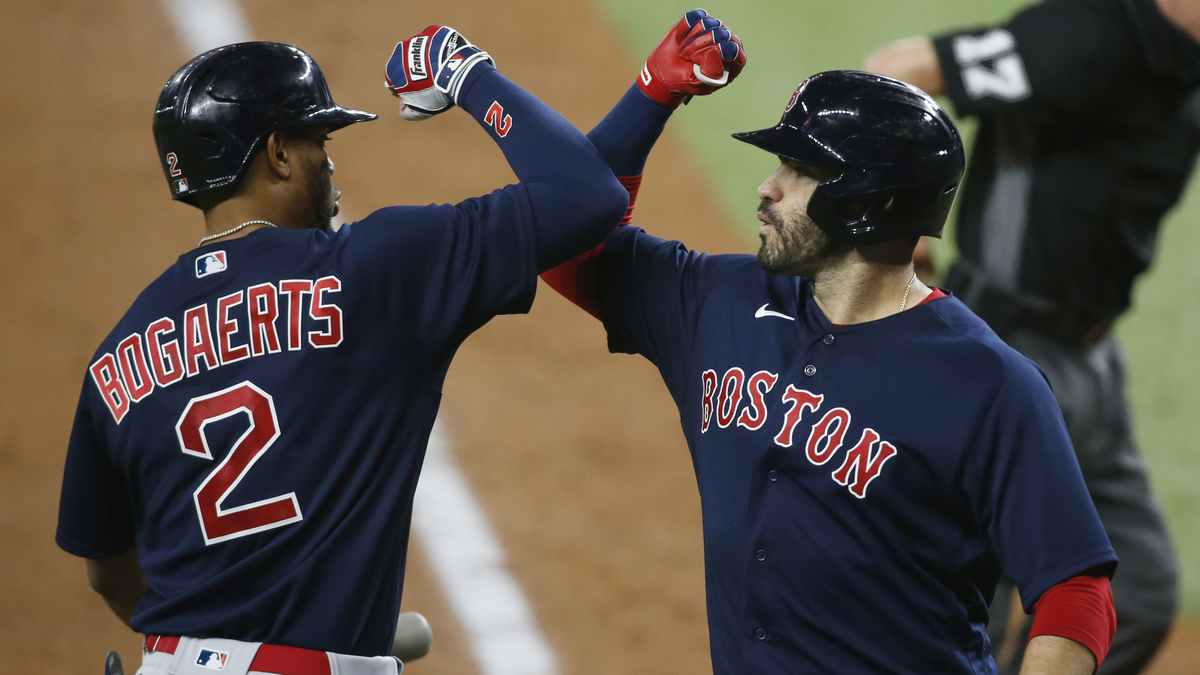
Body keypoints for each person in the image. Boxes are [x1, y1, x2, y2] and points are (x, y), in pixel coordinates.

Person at [540, 11, 1120, 675]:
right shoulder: (722, 301)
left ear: (863, 203)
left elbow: (1076, 589)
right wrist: (650, 95)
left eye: (797, 169)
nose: (768, 186)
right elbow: (566, 244)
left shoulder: (989, 385)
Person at [55, 30, 629, 675]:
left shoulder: (117, 354)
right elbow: (589, 195)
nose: (330, 166)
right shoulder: (372, 270)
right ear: (277, 154)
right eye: (318, 142)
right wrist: (465, 73)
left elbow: (108, 571)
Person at [862, 0, 1200, 671]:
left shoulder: (1180, 61)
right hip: (1003, 348)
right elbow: (893, 73)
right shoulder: (1088, 36)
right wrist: (890, 228)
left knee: (1136, 592)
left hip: (1093, 359)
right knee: (967, 612)